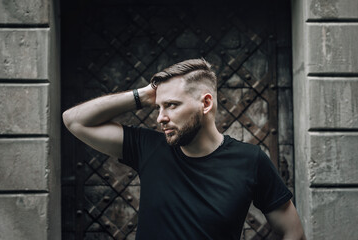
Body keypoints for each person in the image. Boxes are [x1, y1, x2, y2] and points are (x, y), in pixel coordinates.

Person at [62, 58, 306, 239]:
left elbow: (293, 233)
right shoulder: (148, 147)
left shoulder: (250, 160)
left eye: (171, 105)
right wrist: (143, 95)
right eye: (158, 107)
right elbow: (74, 120)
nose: (160, 117)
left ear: (206, 103)